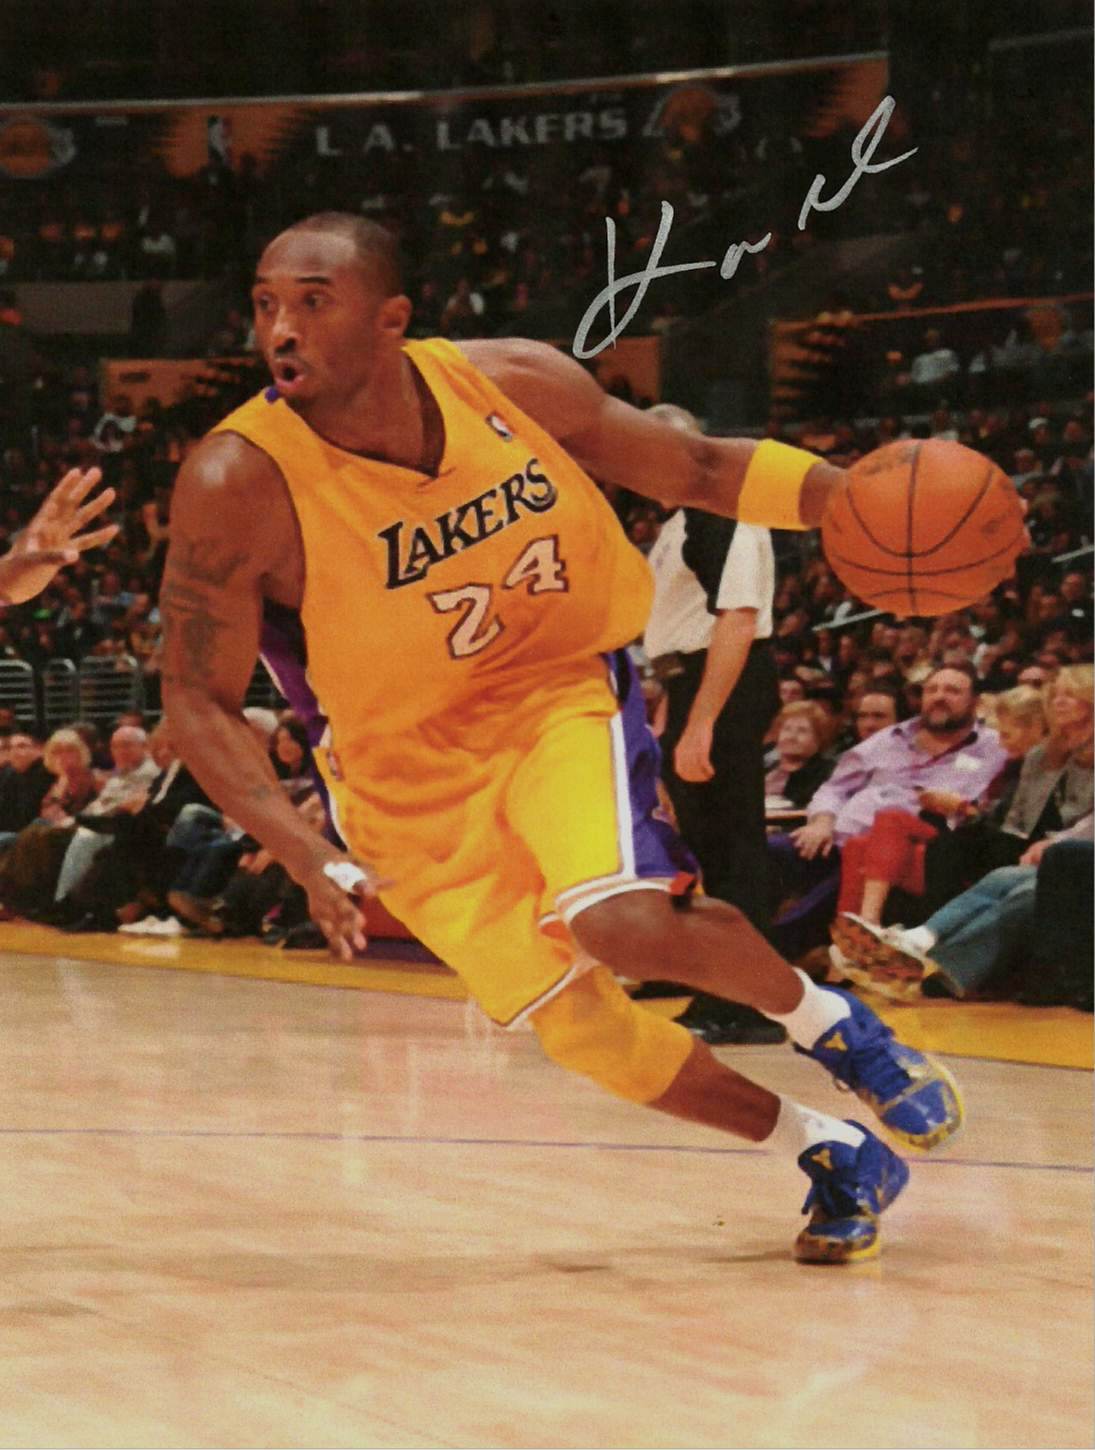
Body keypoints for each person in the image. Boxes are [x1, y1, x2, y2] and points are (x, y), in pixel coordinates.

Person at [160, 212, 963, 1263]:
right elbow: (196, 698)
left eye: (314, 302)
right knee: (581, 1030)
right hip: (402, 772)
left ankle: (834, 1026)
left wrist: (849, 499)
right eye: (267, 304)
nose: (280, 329)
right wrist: (306, 852)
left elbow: (694, 467)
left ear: (392, 319)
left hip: (550, 687)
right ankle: (828, 1149)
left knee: (620, 919)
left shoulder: (511, 383)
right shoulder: (237, 479)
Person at [641, 403, 782, 1044]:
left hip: (723, 682)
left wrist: (703, 720)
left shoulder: (722, 511)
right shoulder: (683, 520)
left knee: (733, 846)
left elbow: (738, 619)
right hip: (693, 683)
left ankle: (746, 1002)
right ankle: (714, 985)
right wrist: (675, 706)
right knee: (706, 848)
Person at [766, 665, 1007, 961]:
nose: (939, 697)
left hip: (911, 849)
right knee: (764, 851)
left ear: (975, 701)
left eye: (953, 691)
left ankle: (770, 948)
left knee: (855, 861)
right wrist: (822, 821)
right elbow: (834, 788)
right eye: (932, 690)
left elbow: (991, 808)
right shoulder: (887, 739)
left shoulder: (994, 747)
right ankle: (734, 937)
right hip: (835, 838)